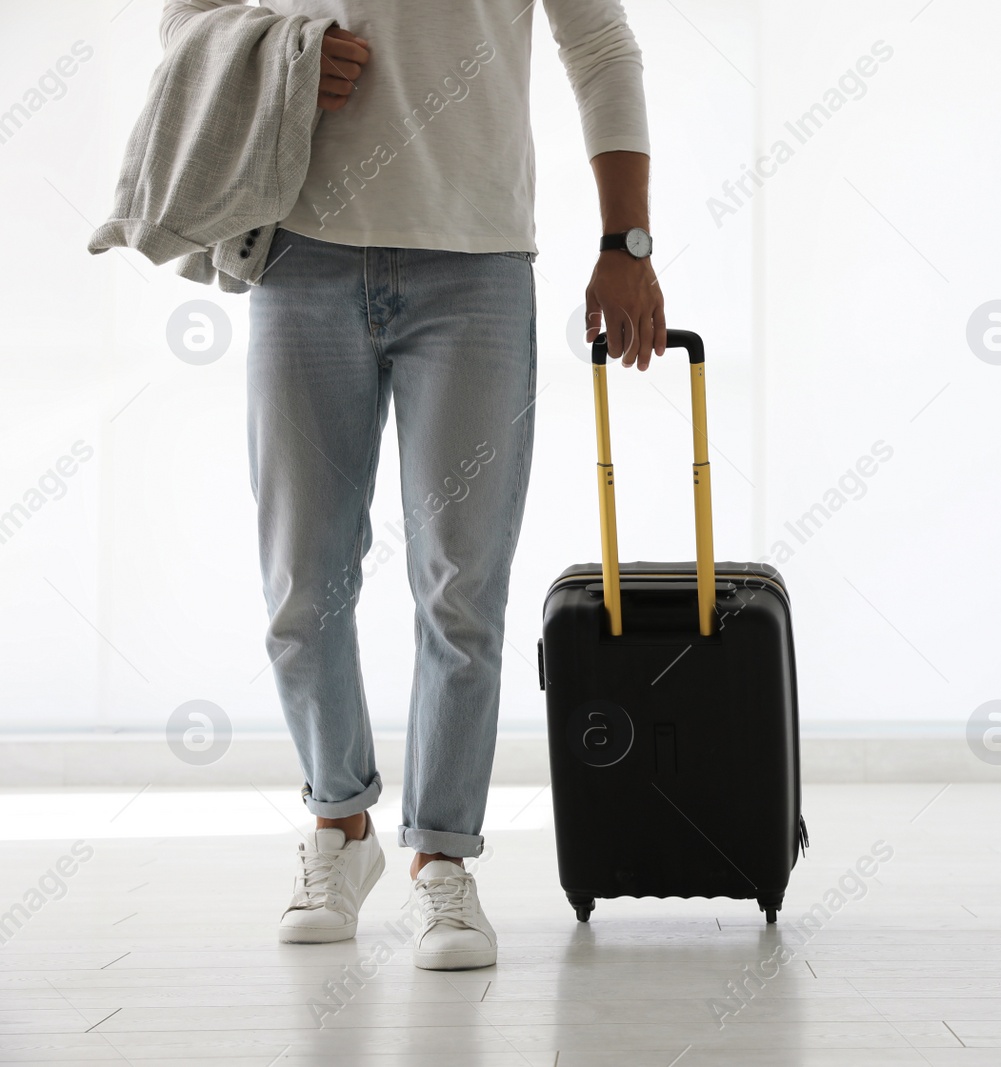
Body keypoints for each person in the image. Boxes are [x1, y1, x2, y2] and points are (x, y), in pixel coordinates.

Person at [159, 0, 666, 971]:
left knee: (460, 589)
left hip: (474, 265)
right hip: (300, 254)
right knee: (302, 590)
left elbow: (598, 42)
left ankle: (443, 855)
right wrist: (280, 58)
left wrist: (625, 243)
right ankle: (339, 825)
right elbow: (189, 15)